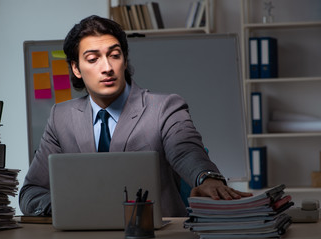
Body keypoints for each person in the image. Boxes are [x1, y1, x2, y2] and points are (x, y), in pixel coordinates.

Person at [19, 15, 252, 217]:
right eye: (93, 59)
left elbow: (186, 150)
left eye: (115, 55)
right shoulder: (61, 117)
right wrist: (68, 207)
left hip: (154, 233)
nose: (107, 67)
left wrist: (207, 178)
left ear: (125, 60)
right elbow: (31, 193)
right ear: (76, 69)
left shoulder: (164, 107)